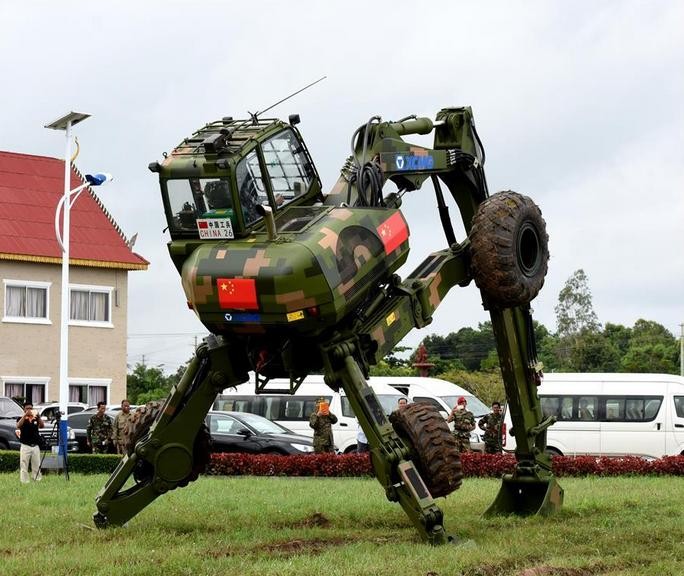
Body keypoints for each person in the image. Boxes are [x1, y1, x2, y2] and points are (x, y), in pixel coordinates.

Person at [16, 401, 44, 483]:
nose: (29, 410)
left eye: (31, 408)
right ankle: (24, 481)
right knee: (24, 464)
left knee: (36, 464)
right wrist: (25, 415)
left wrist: (38, 417)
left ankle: (37, 479)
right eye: (27, 408)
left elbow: (42, 426)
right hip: (25, 446)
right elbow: (18, 425)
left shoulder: (35, 418)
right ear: (24, 409)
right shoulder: (21, 418)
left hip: (35, 445)